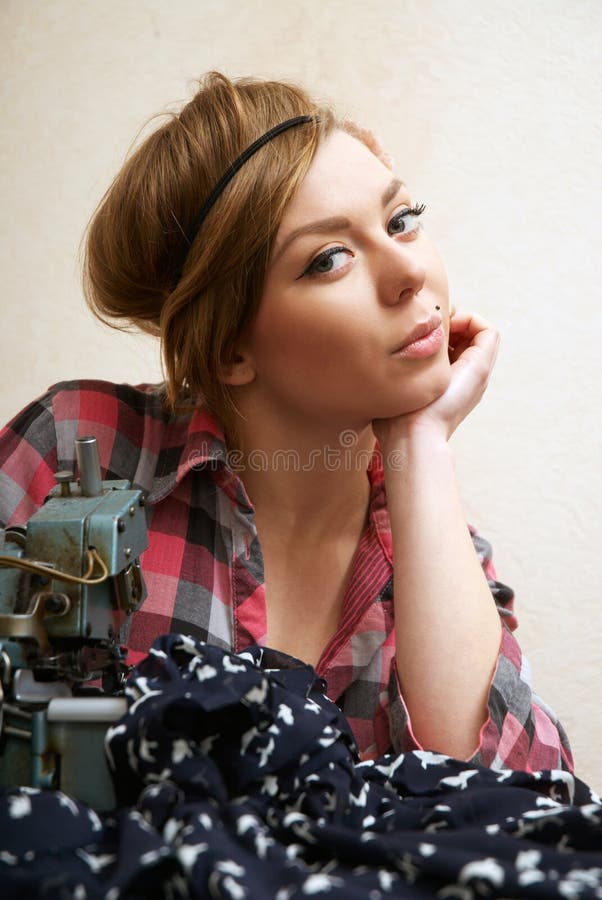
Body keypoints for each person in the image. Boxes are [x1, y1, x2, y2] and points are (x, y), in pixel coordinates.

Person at [0, 71, 572, 771]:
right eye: (330, 259)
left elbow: (516, 813)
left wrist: (420, 444)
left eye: (401, 221)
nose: (408, 274)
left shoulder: (437, 551)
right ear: (232, 347)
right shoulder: (79, 447)